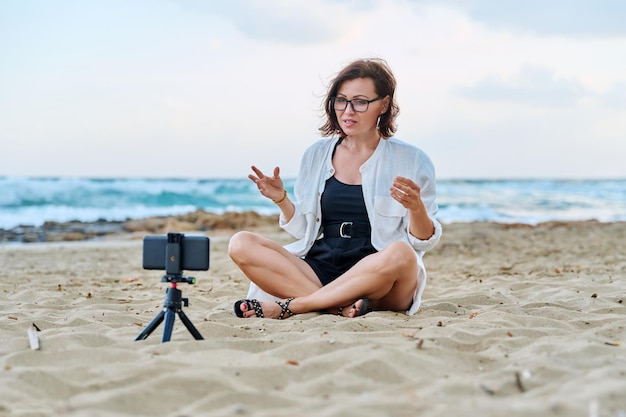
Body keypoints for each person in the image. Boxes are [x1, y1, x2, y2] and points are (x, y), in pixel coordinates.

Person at [228, 58, 442, 319]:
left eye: (360, 101)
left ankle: (295, 305)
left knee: (402, 253)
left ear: (383, 105)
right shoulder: (316, 155)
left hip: (379, 277)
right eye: (341, 100)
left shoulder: (412, 160)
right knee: (241, 243)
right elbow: (306, 231)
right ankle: (337, 307)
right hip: (321, 269)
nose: (348, 111)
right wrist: (281, 199)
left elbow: (424, 241)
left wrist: (416, 207)